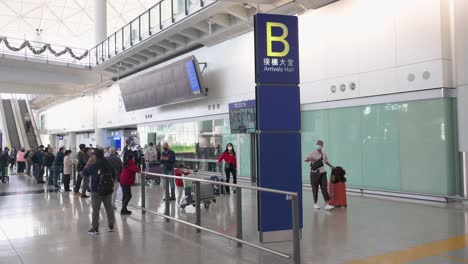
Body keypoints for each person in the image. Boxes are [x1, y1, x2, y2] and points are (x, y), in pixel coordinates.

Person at [82, 148, 116, 235]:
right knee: (109, 208)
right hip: (108, 189)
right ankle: (111, 225)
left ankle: (95, 228)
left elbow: (84, 173)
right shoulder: (109, 163)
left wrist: (89, 162)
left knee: (96, 209)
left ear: (95, 156)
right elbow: (114, 174)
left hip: (96, 190)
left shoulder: (94, 165)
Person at [305, 140, 335, 210]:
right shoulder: (313, 153)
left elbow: (326, 161)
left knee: (324, 188)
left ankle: (327, 204)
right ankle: (315, 203)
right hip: (314, 174)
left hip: (323, 173)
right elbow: (306, 160)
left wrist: (331, 166)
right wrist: (311, 159)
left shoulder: (324, 153)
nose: (318, 145)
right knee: (315, 189)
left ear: (322, 145)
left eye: (320, 144)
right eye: (317, 144)